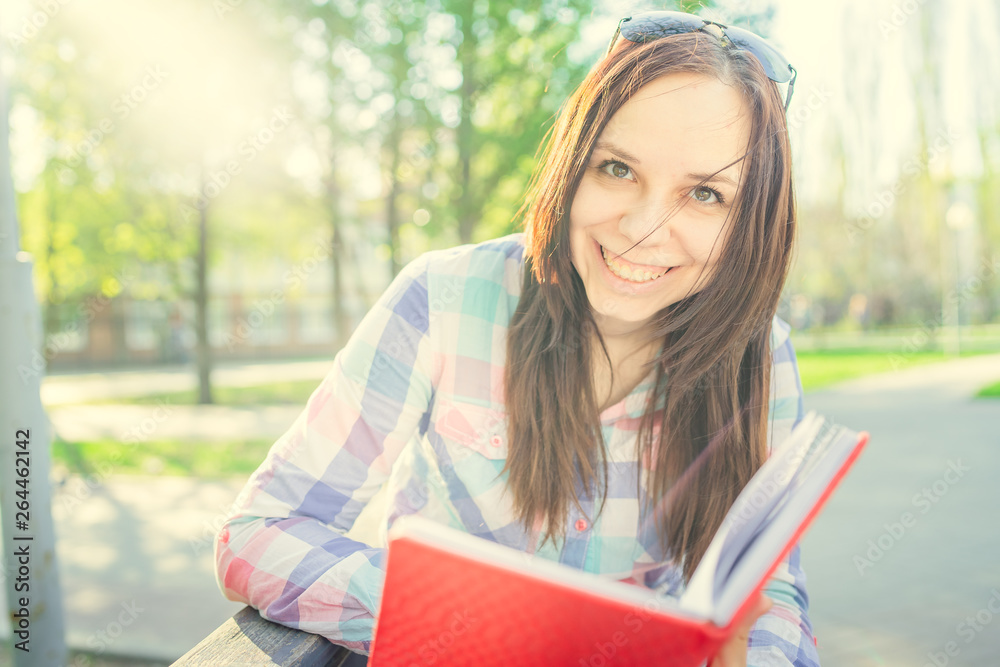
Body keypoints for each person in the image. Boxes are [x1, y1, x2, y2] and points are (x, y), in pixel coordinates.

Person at [214, 10, 817, 666]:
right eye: (617, 168)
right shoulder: (441, 301)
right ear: (573, 162)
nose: (645, 228)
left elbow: (771, 587)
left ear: (751, 220)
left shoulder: (762, 358)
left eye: (705, 193)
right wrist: (475, 624)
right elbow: (260, 531)